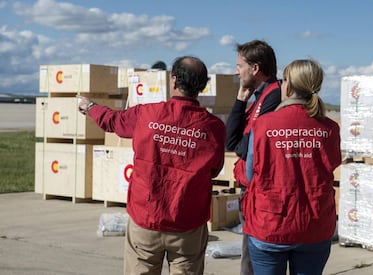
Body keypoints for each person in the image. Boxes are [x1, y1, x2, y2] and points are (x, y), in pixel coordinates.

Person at [78, 56, 226, 275]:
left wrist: (90, 106)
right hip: (187, 222)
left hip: (146, 219)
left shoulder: (146, 114)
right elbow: (215, 169)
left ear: (174, 81)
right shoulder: (213, 127)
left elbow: (113, 121)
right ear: (202, 87)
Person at [243, 59, 341, 275]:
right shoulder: (330, 128)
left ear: (287, 86)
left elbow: (250, 173)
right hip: (314, 224)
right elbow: (330, 166)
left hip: (270, 223)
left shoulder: (263, 125)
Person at [225, 39, 281, 275]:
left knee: (252, 263)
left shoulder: (273, 97)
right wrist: (240, 99)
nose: (236, 71)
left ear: (255, 69)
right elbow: (232, 142)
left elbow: (242, 147)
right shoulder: (257, 96)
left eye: (240, 66)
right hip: (252, 190)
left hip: (261, 193)